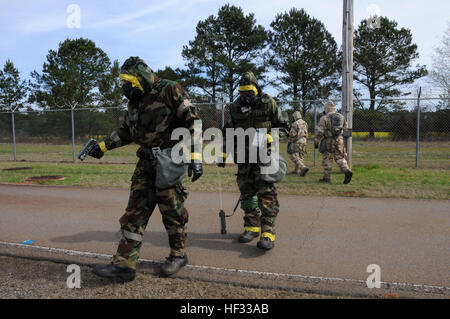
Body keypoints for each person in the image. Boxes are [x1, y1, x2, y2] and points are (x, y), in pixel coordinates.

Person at [85, 57, 202, 281]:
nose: (125, 87)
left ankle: (178, 255)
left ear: (141, 77)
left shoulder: (169, 89)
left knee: (172, 212)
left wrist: (196, 156)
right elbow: (126, 132)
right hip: (145, 163)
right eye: (123, 83)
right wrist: (101, 147)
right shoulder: (134, 102)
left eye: (128, 82)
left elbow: (193, 121)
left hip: (169, 160)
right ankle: (124, 265)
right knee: (133, 213)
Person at [217, 72, 290, 250]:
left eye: (249, 91)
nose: (245, 96)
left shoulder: (268, 103)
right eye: (242, 92)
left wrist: (272, 137)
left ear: (256, 88)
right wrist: (223, 153)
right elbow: (228, 131)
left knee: (266, 193)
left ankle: (268, 232)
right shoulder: (235, 107)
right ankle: (251, 226)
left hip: (265, 156)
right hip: (244, 157)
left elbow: (284, 126)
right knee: (246, 192)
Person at [314, 100, 353, 184]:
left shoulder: (324, 118)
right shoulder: (341, 117)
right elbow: (345, 128)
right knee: (340, 157)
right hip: (339, 140)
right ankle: (346, 170)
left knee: (327, 159)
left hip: (329, 140)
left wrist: (316, 142)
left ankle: (327, 178)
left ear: (326, 109)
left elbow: (319, 132)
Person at [288, 111, 309, 176]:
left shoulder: (295, 123)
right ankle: (296, 171)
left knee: (293, 155)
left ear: (294, 117)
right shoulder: (305, 123)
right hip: (304, 140)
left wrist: (289, 135)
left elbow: (292, 134)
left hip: (297, 141)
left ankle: (302, 167)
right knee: (300, 155)